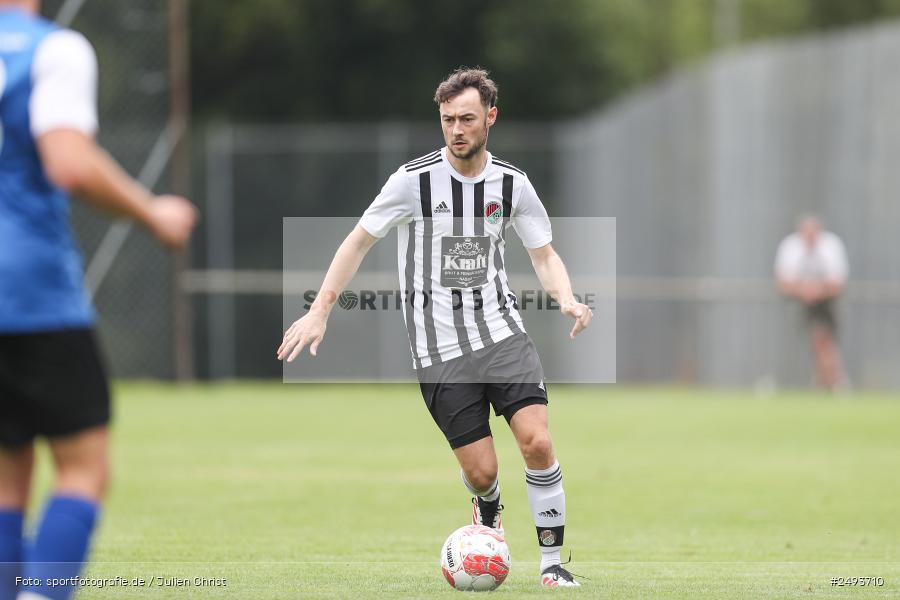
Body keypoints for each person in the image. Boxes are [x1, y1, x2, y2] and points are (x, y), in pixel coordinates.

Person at [278, 67, 592, 587]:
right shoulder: (412, 181)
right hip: (439, 350)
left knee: (537, 442)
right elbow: (357, 241)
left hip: (502, 333)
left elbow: (544, 254)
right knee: (483, 472)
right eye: (447, 119)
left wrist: (566, 299)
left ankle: (553, 566)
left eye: (467, 118)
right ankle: (487, 514)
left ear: (491, 116)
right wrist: (320, 309)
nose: (456, 129)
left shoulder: (512, 184)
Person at [0, 2, 197, 599]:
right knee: (84, 467)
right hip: (28, 291)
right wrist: (152, 212)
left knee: (7, 476)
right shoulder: (51, 50)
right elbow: (69, 163)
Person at [774, 215, 848, 390]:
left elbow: (838, 283)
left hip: (827, 301)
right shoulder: (790, 246)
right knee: (818, 339)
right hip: (800, 301)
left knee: (825, 339)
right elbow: (782, 283)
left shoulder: (831, 246)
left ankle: (832, 379)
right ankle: (828, 378)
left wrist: (818, 290)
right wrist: (804, 290)